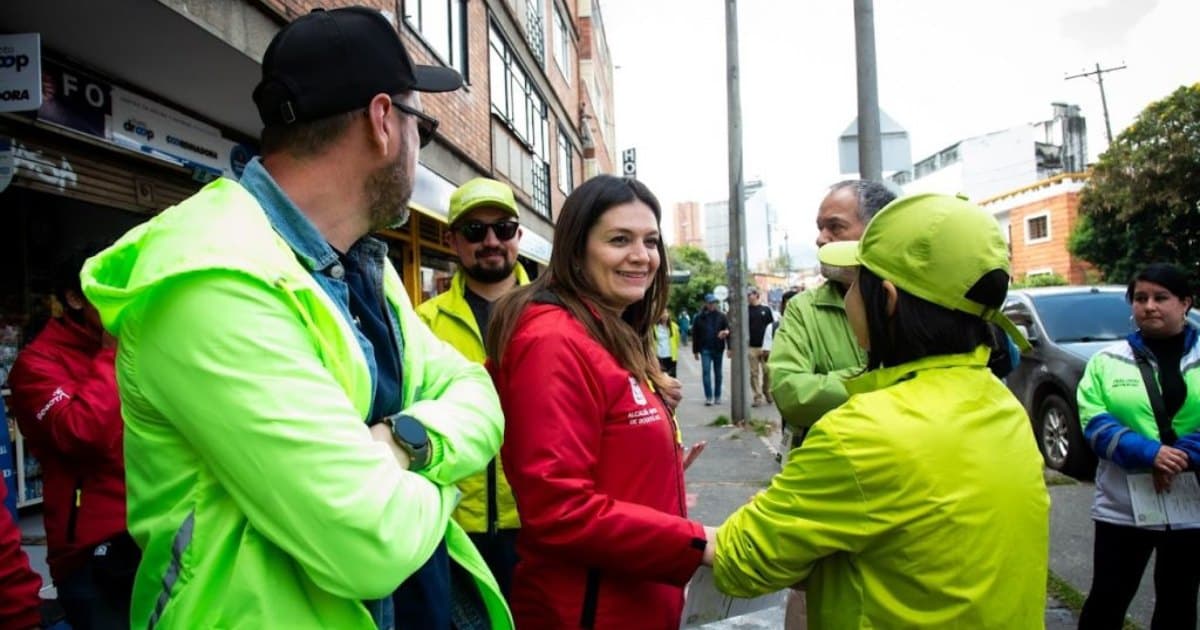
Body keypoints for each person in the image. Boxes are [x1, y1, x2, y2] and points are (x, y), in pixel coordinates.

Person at [80, 7, 511, 629]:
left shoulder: (366, 267)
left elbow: (478, 395)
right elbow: (372, 541)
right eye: (426, 124)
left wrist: (402, 444)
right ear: (384, 121)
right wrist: (443, 465)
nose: (424, 148)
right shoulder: (210, 279)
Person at [705, 193, 1049, 627]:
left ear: (886, 298)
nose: (848, 296)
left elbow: (743, 563)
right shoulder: (1001, 405)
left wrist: (773, 518)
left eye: (856, 284)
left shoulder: (860, 432)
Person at [486, 175, 709, 629]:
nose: (641, 256)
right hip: (587, 611)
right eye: (619, 239)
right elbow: (558, 508)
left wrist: (658, 468)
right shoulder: (553, 341)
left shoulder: (607, 330)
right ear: (576, 250)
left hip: (636, 600)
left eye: (651, 241)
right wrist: (702, 543)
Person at [8, 246, 137, 629]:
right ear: (74, 298)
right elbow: (82, 434)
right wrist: (112, 353)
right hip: (90, 553)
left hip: (154, 531)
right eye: (109, 289)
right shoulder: (37, 364)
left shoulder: (136, 347)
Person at [415, 176, 528, 598]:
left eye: (502, 228)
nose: (491, 241)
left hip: (541, 518)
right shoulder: (423, 321)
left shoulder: (556, 312)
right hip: (455, 525)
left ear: (518, 234)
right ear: (453, 240)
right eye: (475, 231)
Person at [1077, 263, 1200, 629]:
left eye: (1161, 298)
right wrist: (1149, 454)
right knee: (1107, 599)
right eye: (1140, 298)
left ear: (1185, 303)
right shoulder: (1106, 361)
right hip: (1123, 506)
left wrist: (1177, 459)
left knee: (1179, 602)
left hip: (1190, 507)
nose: (1149, 306)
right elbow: (1093, 421)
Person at [770, 179, 895, 451]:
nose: (821, 238)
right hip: (827, 470)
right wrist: (886, 378)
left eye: (835, 227)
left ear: (879, 230)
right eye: (820, 228)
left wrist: (837, 384)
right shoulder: (804, 307)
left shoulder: (913, 299)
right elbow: (790, 393)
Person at [692, 293, 731, 405]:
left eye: (714, 302)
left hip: (718, 348)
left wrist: (729, 347)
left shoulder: (722, 316)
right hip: (705, 349)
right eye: (710, 303)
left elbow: (728, 331)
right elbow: (695, 334)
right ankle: (709, 397)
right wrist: (695, 351)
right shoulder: (699, 317)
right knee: (706, 372)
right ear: (706, 304)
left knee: (718, 373)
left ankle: (717, 396)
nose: (712, 305)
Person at [746, 288, 775, 406]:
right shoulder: (745, 311)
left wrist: (771, 345)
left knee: (767, 371)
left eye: (750, 295)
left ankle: (766, 391)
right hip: (751, 346)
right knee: (754, 373)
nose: (748, 297)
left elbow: (772, 327)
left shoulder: (766, 310)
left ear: (756, 295)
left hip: (765, 347)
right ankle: (757, 396)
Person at [655, 309, 681, 377]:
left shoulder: (674, 326)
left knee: (672, 377)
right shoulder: (654, 327)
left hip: (671, 356)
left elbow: (677, 340)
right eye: (662, 313)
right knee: (661, 377)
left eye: (666, 313)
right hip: (659, 356)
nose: (665, 315)